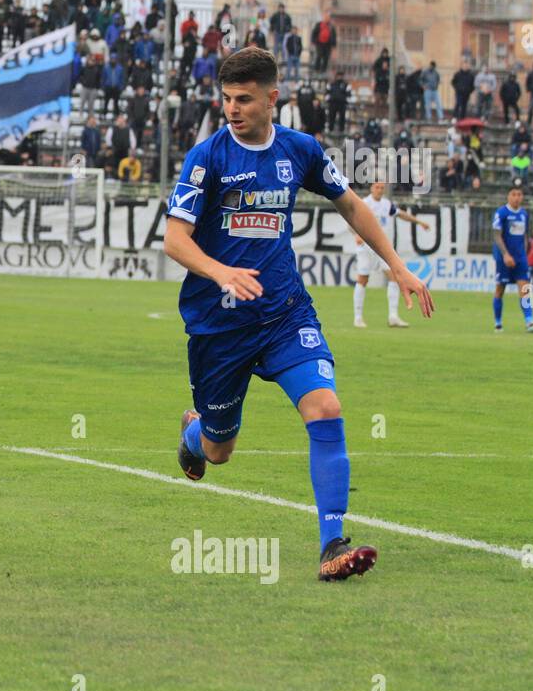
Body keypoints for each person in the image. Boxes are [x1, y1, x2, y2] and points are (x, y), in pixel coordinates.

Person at [163, 47, 433, 581]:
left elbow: (352, 204)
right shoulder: (207, 158)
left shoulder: (301, 150)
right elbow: (175, 239)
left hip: (286, 313)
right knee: (220, 452)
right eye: (226, 99)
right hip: (220, 324)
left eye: (244, 99)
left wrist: (398, 267)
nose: (233, 109)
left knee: (326, 408)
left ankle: (331, 544)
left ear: (272, 98)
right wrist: (221, 273)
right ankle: (195, 434)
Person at [351, 180, 432, 328]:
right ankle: (358, 317)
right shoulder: (364, 203)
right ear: (371, 188)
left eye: (382, 187)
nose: (380, 190)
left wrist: (419, 222)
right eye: (377, 187)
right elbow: (351, 218)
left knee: (394, 277)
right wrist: (357, 234)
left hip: (383, 249)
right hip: (366, 248)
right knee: (363, 279)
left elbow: (401, 214)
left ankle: (393, 316)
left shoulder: (386, 205)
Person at [491, 184, 533, 333]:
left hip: (520, 258)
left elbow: (524, 236)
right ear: (508, 196)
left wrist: (525, 254)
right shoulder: (501, 213)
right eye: (514, 194)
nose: (517, 197)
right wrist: (505, 254)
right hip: (504, 258)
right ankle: (498, 323)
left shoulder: (524, 214)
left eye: (519, 194)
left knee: (526, 288)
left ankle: (530, 322)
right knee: (499, 290)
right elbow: (496, 235)